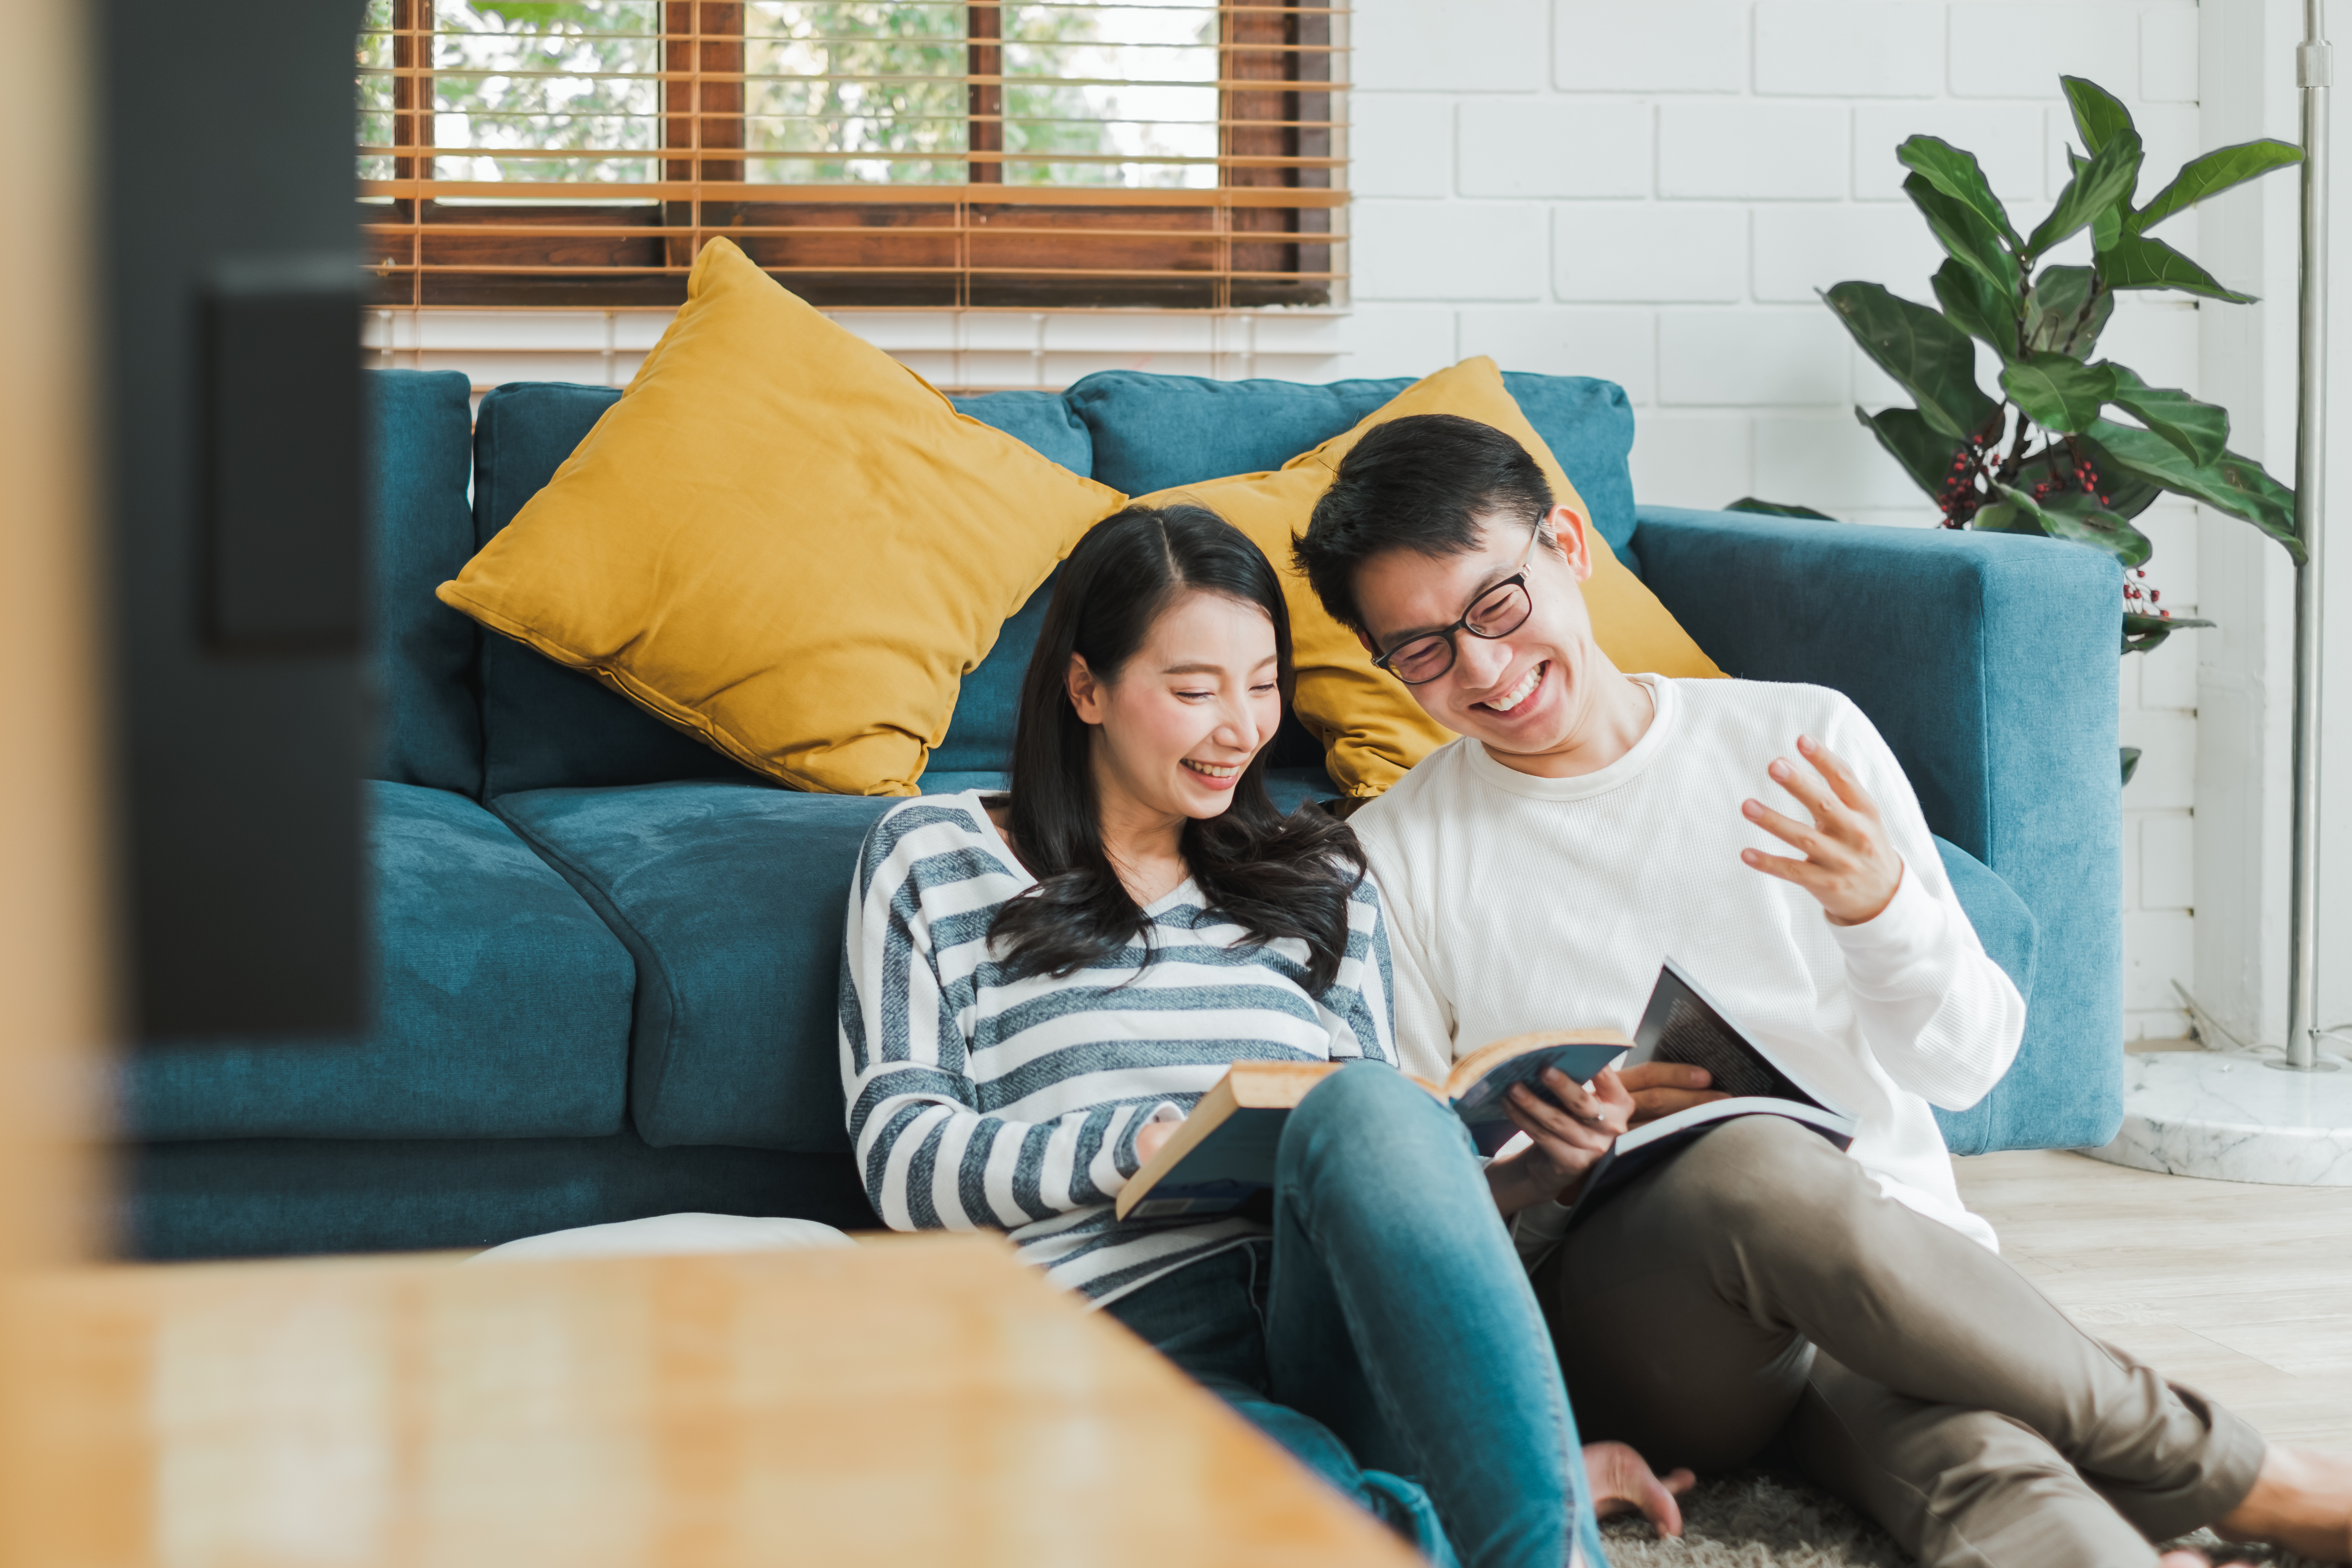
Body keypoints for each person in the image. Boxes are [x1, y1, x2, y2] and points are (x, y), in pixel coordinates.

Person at [1290, 413, 2352, 1568]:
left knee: (1990, 1466)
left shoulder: (1800, 735)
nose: (1483, 669)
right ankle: (2240, 1475)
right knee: (1750, 1163)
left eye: (1495, 606)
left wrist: (1882, 907)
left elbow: (1971, 1066)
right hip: (1642, 1328)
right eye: (1425, 650)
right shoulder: (1390, 854)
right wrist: (1545, 1170)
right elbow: (1415, 1207)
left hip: (1892, 1278)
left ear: (1569, 546)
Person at [838, 503, 1687, 1568]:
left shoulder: (1325, 874)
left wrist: (1527, 1176)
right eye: (1195, 692)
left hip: (1331, 1314)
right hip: (1126, 1338)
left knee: (1374, 1102)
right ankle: (1481, 1510)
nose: (1242, 728)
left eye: (1262, 685)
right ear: (1088, 688)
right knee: (1328, 1520)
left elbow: (1381, 1159)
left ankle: (1541, 1546)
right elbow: (902, 1159)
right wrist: (1137, 1144)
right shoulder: (933, 855)